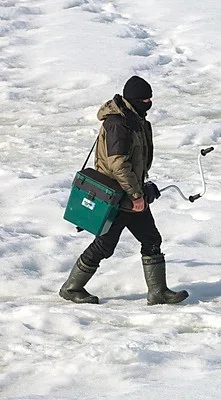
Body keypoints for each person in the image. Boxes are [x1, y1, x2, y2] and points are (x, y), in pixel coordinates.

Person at [59, 76, 189, 306]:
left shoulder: (134, 118)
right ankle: (72, 288)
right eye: (145, 99)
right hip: (116, 197)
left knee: (151, 238)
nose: (149, 102)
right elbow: (118, 163)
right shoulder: (118, 123)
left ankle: (158, 292)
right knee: (105, 245)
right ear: (133, 99)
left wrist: (139, 189)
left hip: (128, 193)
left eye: (150, 98)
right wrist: (136, 195)